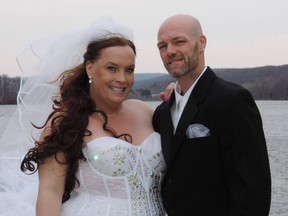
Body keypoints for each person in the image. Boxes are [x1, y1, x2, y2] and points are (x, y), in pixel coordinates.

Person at [0, 18, 166, 216]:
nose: (122, 79)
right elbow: (50, 194)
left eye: (129, 69)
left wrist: (176, 94)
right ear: (90, 69)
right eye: (111, 68)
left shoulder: (145, 111)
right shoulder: (67, 123)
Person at [153, 14, 271, 215]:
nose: (170, 51)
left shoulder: (233, 100)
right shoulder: (162, 113)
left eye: (179, 41)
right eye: (162, 46)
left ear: (201, 43)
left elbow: (253, 189)